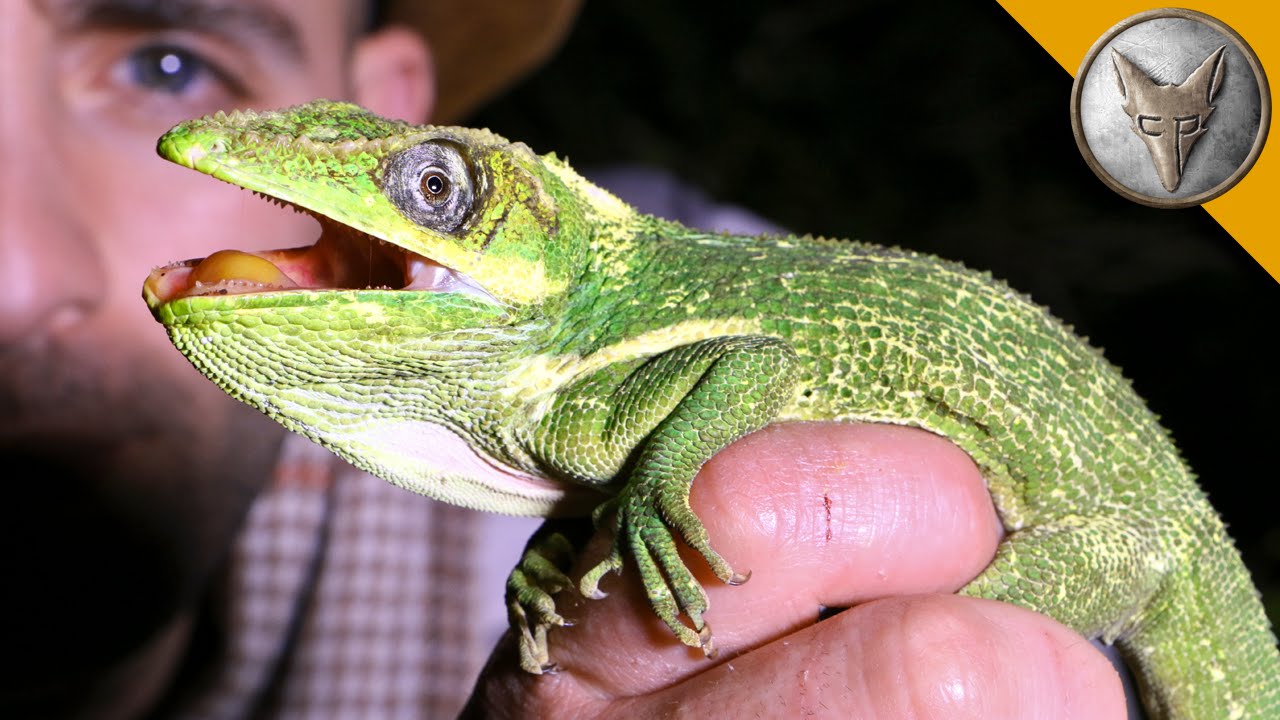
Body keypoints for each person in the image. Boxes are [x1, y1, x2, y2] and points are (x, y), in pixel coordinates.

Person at [1, 1, 1130, 717]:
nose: (16, 277)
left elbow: (748, 369)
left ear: (397, 97)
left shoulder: (659, 299)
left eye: (165, 61)